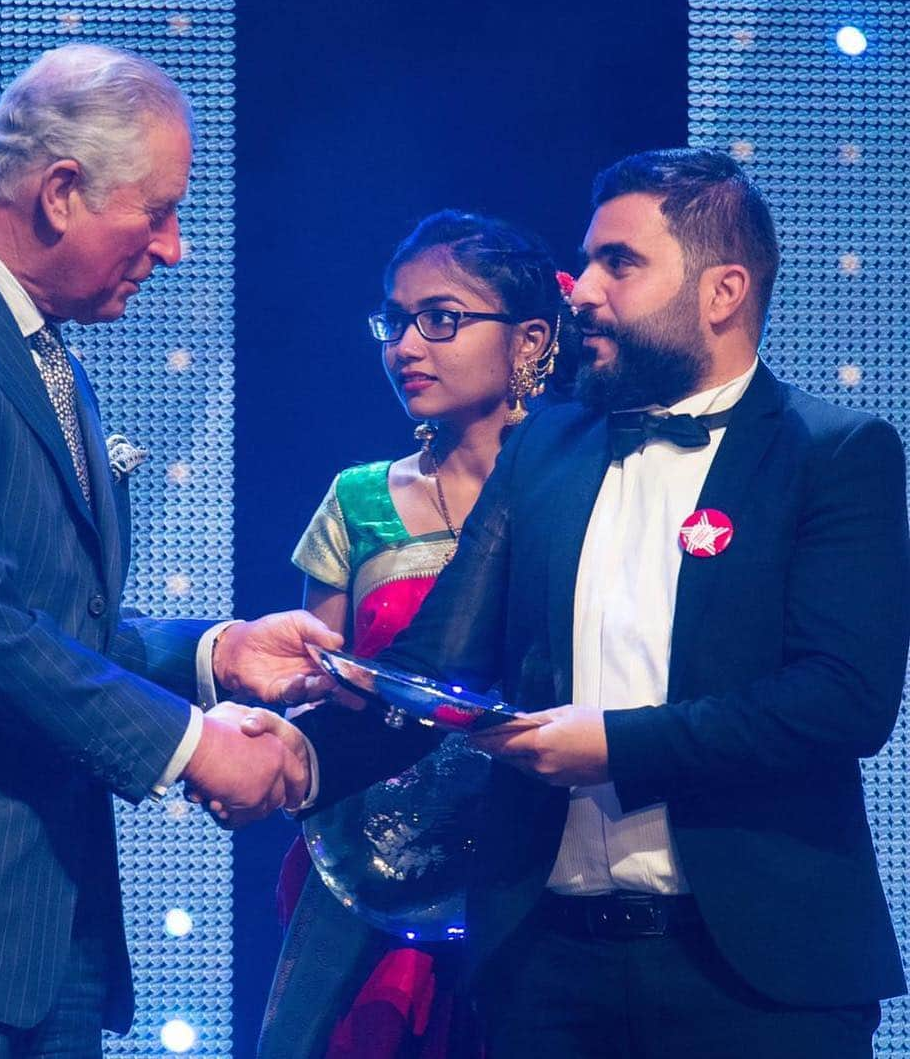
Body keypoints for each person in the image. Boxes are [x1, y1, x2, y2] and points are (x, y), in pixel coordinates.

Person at [282, 148, 910, 1057]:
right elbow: (433, 666)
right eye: (588, 260)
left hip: (761, 980)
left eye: (622, 262)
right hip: (546, 974)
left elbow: (840, 702)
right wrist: (290, 756)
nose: (580, 290)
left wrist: (612, 744)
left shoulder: (834, 453)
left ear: (722, 290)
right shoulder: (546, 449)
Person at [0, 44, 337, 1058]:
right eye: (156, 212)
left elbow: (51, 621)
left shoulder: (39, 349)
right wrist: (195, 747)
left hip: (49, 939)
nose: (177, 246)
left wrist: (216, 653)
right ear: (62, 193)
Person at [258, 210, 574, 1058]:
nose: (405, 345)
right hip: (370, 884)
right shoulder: (358, 499)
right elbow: (318, 685)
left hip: (538, 875)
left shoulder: (587, 496)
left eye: (440, 319)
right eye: (393, 322)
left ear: (531, 340)